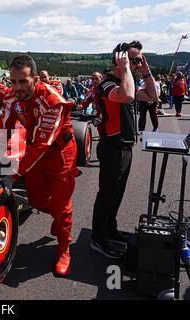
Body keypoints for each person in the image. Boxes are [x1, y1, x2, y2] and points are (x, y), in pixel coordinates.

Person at [0, 55, 78, 277]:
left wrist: (12, 175)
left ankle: (64, 247)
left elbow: (43, 144)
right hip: (35, 149)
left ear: (34, 79)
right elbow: (4, 128)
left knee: (62, 205)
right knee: (35, 200)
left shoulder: (52, 101)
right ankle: (59, 218)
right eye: (13, 81)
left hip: (60, 153)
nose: (17, 87)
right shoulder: (10, 96)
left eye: (23, 82)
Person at [91, 41, 158, 259]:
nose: (139, 63)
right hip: (112, 147)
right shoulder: (108, 84)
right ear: (120, 59)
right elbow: (127, 95)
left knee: (116, 195)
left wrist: (146, 72)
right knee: (107, 195)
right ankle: (98, 239)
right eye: (135, 59)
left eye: (141, 59)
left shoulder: (126, 80)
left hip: (125, 148)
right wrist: (128, 68)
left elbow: (152, 97)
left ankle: (110, 230)